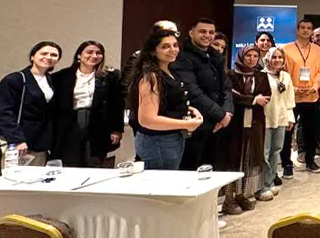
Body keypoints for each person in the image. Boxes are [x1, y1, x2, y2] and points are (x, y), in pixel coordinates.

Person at [128, 29, 203, 170]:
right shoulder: (151, 77)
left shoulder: (169, 71)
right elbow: (147, 119)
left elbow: (167, 103)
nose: (173, 50)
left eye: (175, 45)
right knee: (160, 182)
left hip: (171, 138)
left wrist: (190, 110)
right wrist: (186, 124)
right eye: (165, 46)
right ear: (153, 51)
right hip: (157, 141)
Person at [52, 41, 124, 168]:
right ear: (79, 55)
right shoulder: (62, 76)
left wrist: (116, 129)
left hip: (98, 123)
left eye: (98, 53)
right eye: (89, 52)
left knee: (94, 161)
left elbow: (117, 104)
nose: (94, 56)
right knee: (71, 161)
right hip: (70, 123)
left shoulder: (110, 76)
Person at [174, 18, 233, 170]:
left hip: (218, 124)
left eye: (211, 32)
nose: (207, 35)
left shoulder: (216, 57)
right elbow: (192, 91)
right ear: (191, 33)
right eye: (202, 31)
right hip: (196, 125)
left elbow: (226, 88)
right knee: (190, 170)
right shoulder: (182, 57)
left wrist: (226, 113)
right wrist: (220, 115)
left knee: (214, 171)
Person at [0, 41, 62, 166]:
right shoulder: (15, 79)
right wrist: (17, 139)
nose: (48, 57)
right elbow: (4, 112)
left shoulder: (51, 80)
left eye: (54, 55)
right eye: (44, 53)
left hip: (40, 143)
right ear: (32, 56)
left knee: (35, 176)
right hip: (17, 142)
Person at [220, 45, 271, 215]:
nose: (252, 59)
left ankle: (241, 194)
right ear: (241, 56)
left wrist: (248, 99)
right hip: (234, 125)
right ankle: (229, 199)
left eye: (255, 56)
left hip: (255, 124)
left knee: (249, 159)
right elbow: (232, 96)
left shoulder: (261, 76)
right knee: (232, 159)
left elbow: (266, 96)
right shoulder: (231, 75)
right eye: (248, 55)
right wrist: (253, 100)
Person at [282, 19, 320, 175]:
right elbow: (283, 72)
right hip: (291, 96)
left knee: (311, 131)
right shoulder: (286, 49)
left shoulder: (317, 50)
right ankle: (286, 163)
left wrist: (315, 86)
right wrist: (293, 88)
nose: (306, 30)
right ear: (297, 30)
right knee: (287, 132)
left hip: (311, 96)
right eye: (303, 28)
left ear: (311, 31)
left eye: (309, 28)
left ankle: (310, 160)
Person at [260, 47, 294, 199]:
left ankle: (270, 181)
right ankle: (262, 185)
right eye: (274, 57)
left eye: (280, 57)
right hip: (265, 118)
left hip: (281, 118)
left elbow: (289, 98)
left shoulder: (285, 76)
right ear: (268, 58)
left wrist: (290, 117)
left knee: (276, 151)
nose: (277, 60)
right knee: (264, 153)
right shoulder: (261, 75)